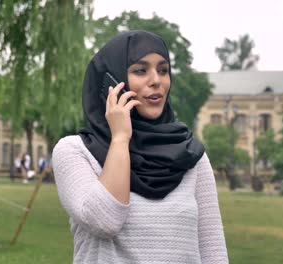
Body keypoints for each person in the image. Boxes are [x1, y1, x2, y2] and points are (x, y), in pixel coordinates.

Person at [52, 30, 228, 263]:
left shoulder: (191, 156)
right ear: (111, 82)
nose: (156, 80)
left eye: (163, 70)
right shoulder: (74, 152)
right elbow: (105, 221)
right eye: (140, 70)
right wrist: (120, 138)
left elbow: (212, 251)